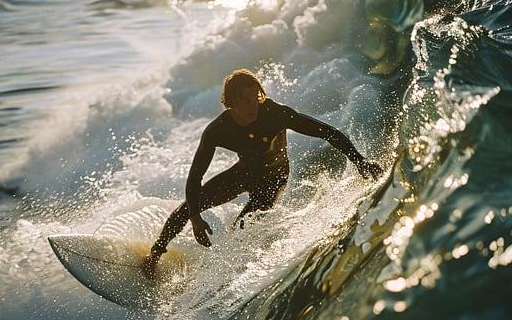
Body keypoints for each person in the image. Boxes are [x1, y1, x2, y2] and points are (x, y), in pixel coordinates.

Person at [144, 69, 382, 273]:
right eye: (244, 101)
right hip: (244, 173)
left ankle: (226, 276)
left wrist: (360, 161)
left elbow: (328, 132)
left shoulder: (275, 114)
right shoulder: (217, 131)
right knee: (186, 209)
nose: (252, 106)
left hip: (274, 179)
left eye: (254, 98)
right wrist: (196, 219)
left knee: (239, 232)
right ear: (230, 103)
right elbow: (195, 178)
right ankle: (153, 257)